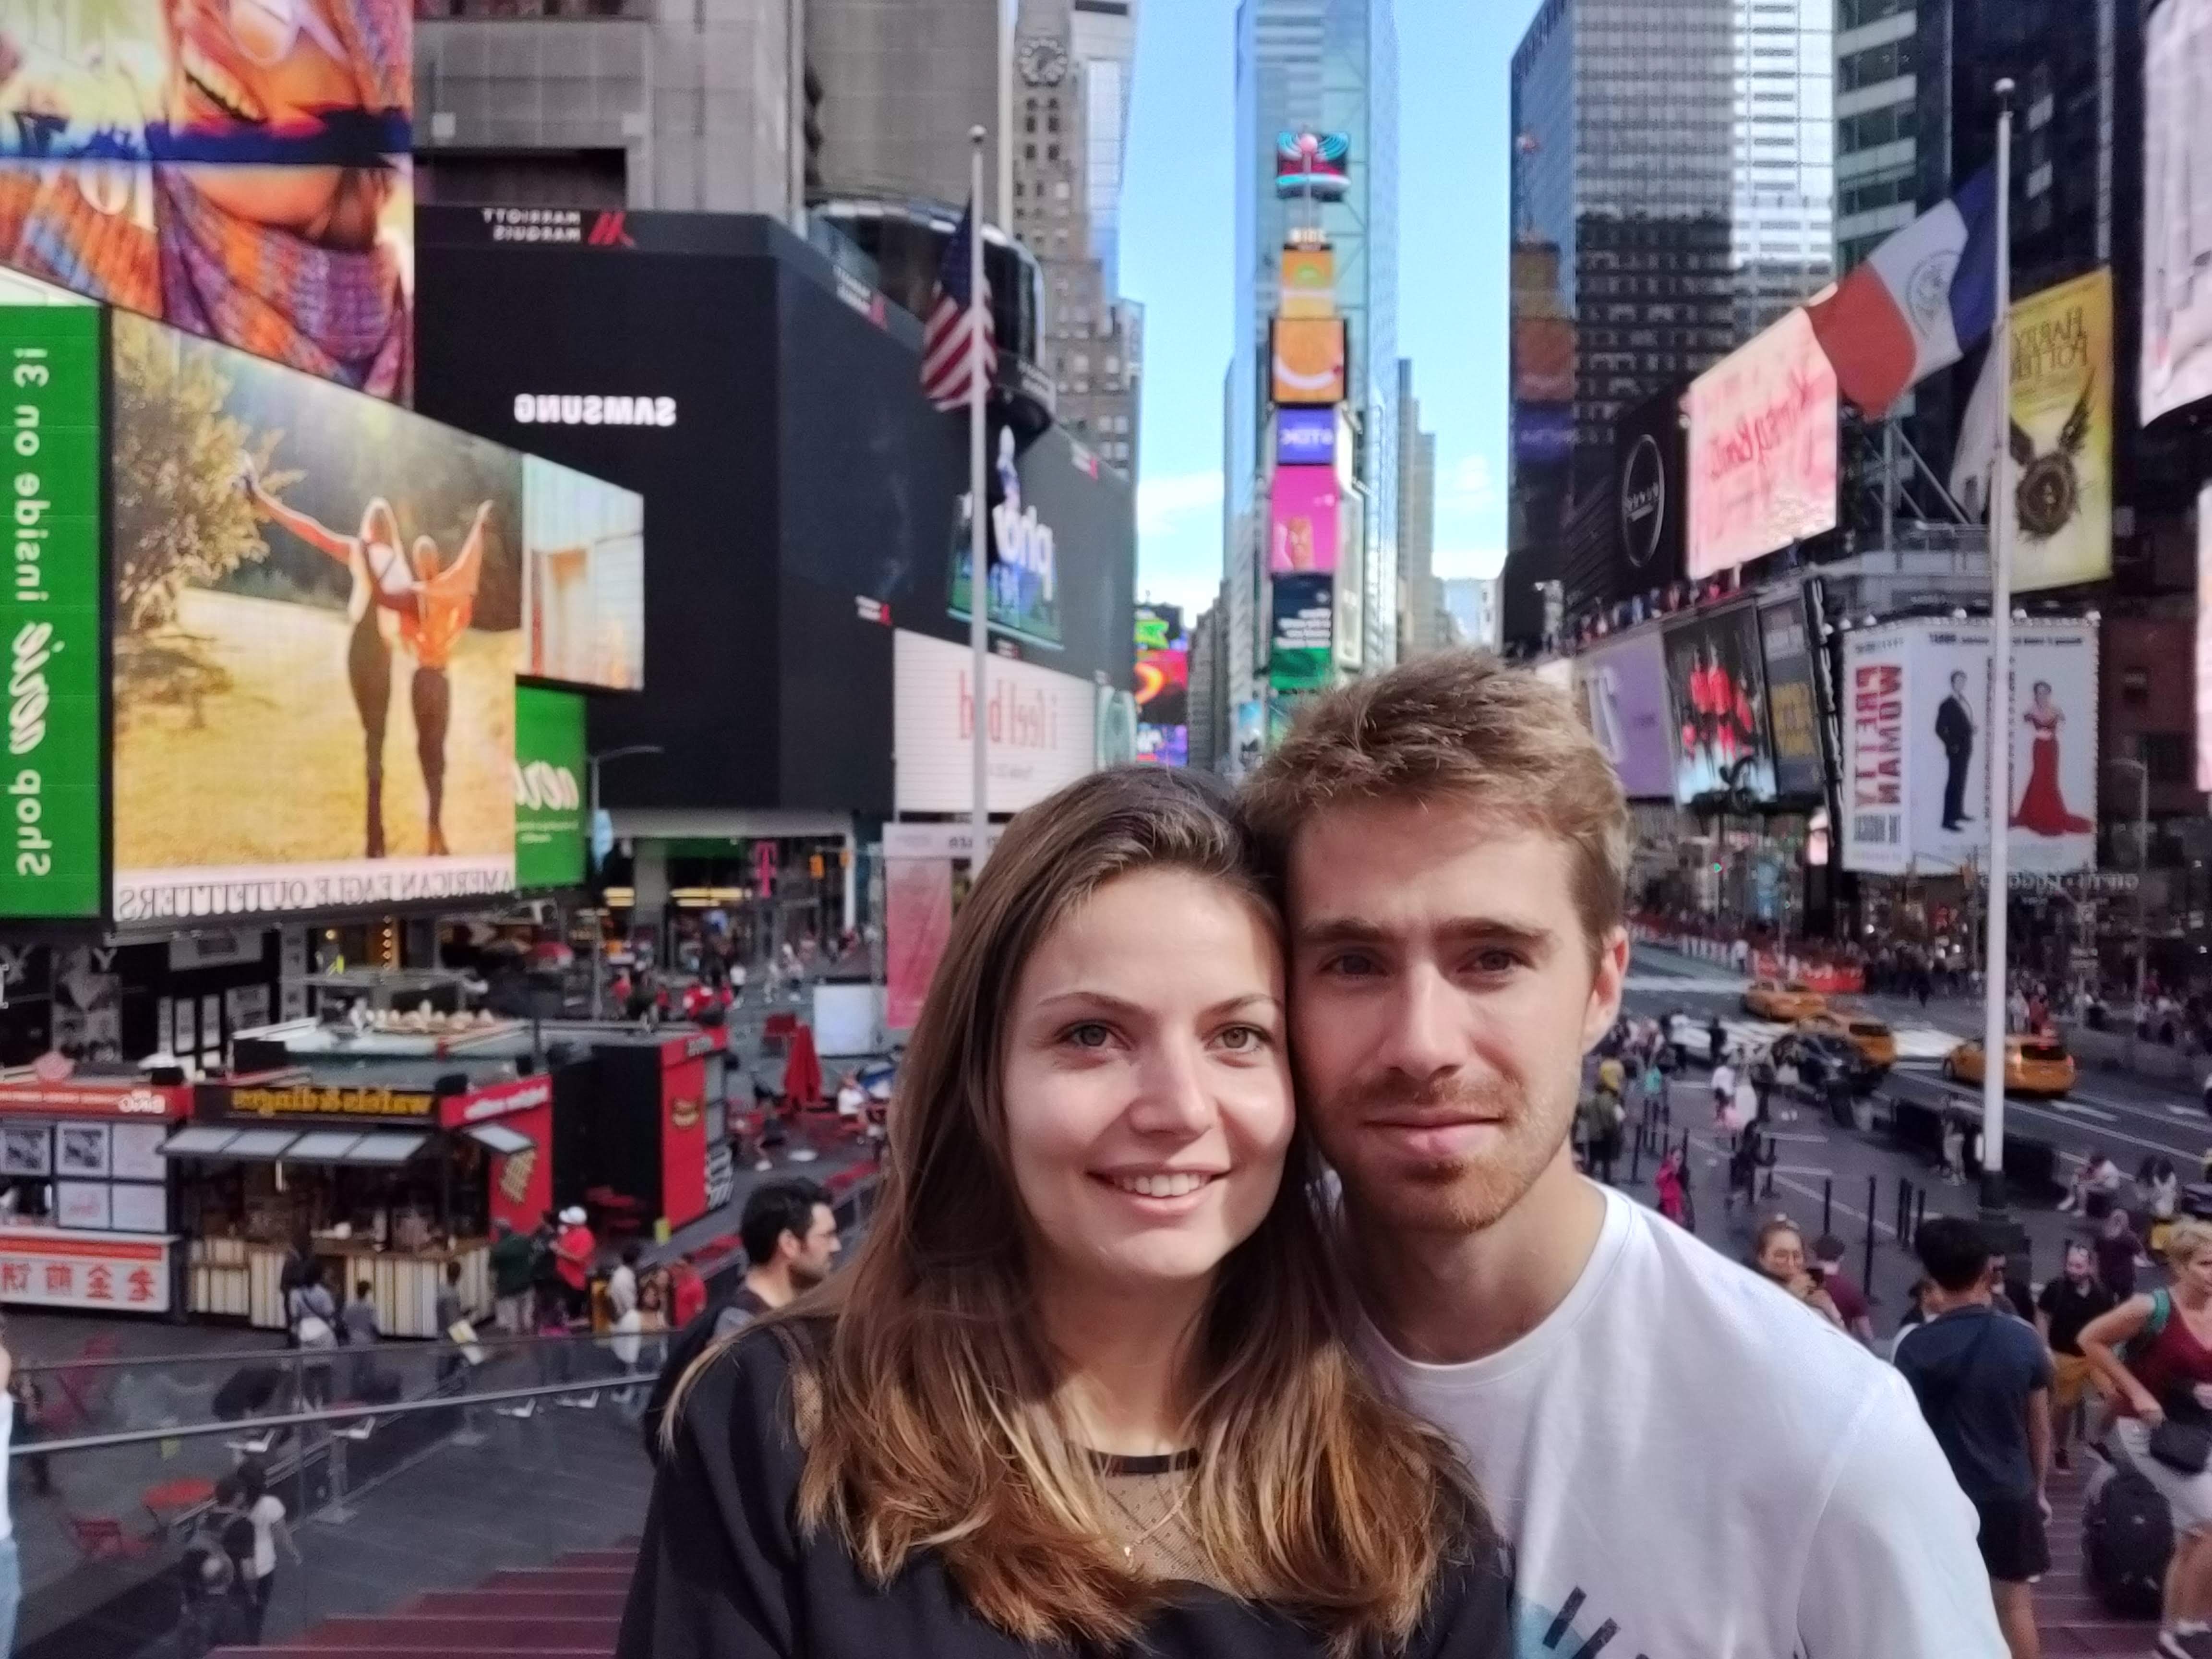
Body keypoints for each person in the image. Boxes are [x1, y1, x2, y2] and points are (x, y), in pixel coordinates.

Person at [623, 769, 1513, 1659]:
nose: (1179, 1108)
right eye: (1091, 1034)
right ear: (983, 1082)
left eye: (1236, 1035)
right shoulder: (782, 1436)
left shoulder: (1407, 1529)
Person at [1242, 653, 2002, 1655]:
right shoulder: (1182, 1355)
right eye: (1352, 963)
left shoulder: (1828, 1447)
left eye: (1493, 960)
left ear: (1603, 988)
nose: (1422, 1042)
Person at [241, 462, 425, 859]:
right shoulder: (400, 565)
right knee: (376, 742)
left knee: (369, 738)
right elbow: (411, 624)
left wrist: (265, 501)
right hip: (385, 653)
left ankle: (373, 833)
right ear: (391, 528)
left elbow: (310, 530)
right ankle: (375, 837)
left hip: (360, 649)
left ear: (368, 526)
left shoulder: (359, 552)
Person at [1893, 1219, 2053, 1659]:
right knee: (2013, 1605)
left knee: (1939, 1602)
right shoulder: (2023, 1340)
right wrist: (2036, 1489)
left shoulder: (1914, 1347)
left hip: (1943, 1496)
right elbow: (2039, 1426)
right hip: (2010, 1493)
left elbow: (1907, 1433)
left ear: (1930, 1277)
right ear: (1986, 1273)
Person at [2080, 1219, 2212, 1659]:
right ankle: (2192, 1629)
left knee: (2193, 1536)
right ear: (2179, 1266)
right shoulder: (2149, 1307)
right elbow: (2090, 1339)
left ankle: (2168, 1638)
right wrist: (2135, 1392)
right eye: (2206, 1264)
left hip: (2199, 1433)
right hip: (2150, 1432)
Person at [637, 1178, 840, 1460]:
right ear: (789, 1244)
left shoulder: (761, 1322)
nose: (836, 1246)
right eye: (827, 1236)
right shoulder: (743, 1337)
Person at [395, 507, 492, 856]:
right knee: (434, 756)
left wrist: (424, 638)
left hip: (424, 680)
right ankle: (435, 829)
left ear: (420, 561)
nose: (427, 562)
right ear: (433, 560)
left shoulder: (416, 595)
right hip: (438, 680)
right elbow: (465, 604)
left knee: (428, 754)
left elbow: (407, 640)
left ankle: (433, 829)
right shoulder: (442, 591)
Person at [2036, 1241, 2117, 1472]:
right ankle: (2061, 1448)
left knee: (2115, 1396)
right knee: (2063, 1406)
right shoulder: (2056, 1289)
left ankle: (2097, 1440)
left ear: (2091, 1268)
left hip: (2094, 1355)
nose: (2073, 1270)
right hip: (2065, 1354)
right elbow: (2042, 1314)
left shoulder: (2103, 1294)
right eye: (2071, 1265)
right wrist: (2044, 1347)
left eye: (2079, 1266)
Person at [2011, 682, 2094, 837]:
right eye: (2039, 693)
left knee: (2050, 779)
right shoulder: (2031, 711)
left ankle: (2049, 814)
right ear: (2036, 695)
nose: (2042, 695)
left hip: (2052, 748)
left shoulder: (2056, 711)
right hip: (2039, 747)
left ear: (2049, 694)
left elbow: (2063, 726)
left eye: (2045, 692)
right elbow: (2022, 725)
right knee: (2038, 777)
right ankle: (2035, 814)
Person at [237, 1458, 301, 1644]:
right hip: (264, 1564)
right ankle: (253, 1643)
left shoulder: (237, 1507)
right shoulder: (270, 1505)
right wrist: (293, 1552)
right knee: (259, 1609)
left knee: (242, 1606)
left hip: (240, 1562)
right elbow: (282, 1534)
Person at [1750, 1218, 1844, 1329]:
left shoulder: (1812, 1284)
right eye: (1781, 1255)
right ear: (1761, 1257)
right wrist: (1790, 1300)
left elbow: (1843, 1337)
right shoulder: (1749, 1290)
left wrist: (1830, 1310)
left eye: (1797, 1256)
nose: (1791, 1263)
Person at [286, 1262, 338, 1408]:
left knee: (306, 1376)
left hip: (306, 1335)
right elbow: (329, 1315)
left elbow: (295, 1317)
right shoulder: (323, 1294)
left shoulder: (295, 1294)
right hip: (323, 1336)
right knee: (325, 1376)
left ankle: (308, 1408)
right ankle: (326, 1408)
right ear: (319, 1277)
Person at [1813, 1234, 1876, 1345]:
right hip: (1837, 1346)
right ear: (1841, 1257)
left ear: (1815, 1255)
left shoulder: (1800, 1282)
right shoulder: (1851, 1290)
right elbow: (1866, 1335)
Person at [1937, 669, 1977, 831]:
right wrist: (1951, 744)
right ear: (1953, 682)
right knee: (1953, 782)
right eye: (1959, 681)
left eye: (1964, 681)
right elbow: (1939, 729)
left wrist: (1970, 729)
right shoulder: (1947, 704)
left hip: (1966, 747)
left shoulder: (1963, 700)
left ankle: (1958, 813)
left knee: (1961, 781)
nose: (1962, 684)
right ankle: (1947, 820)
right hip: (1956, 749)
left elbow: (1962, 723)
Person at [488, 1218, 534, 1337]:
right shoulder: (523, 1240)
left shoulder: (498, 1249)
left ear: (499, 1231)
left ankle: (517, 1348)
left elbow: (492, 1272)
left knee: (513, 1324)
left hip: (508, 1288)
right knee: (527, 1319)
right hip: (526, 1284)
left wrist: (494, 1289)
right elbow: (532, 1257)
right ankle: (531, 1344)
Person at [553, 1205, 595, 1325]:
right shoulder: (567, 1232)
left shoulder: (585, 1236)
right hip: (564, 1279)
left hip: (576, 1283)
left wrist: (561, 1252)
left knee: (574, 1314)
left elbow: (580, 1259)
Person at [341, 1278, 379, 1398]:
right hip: (368, 1340)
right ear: (367, 1292)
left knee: (355, 1370)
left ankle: (355, 1394)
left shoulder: (349, 1306)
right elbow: (374, 1325)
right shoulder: (370, 1307)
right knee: (368, 1369)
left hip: (354, 1340)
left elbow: (345, 1323)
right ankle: (368, 1394)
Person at [2098, 1207, 2145, 1302]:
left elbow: (2096, 1254)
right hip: (2125, 1276)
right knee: (2125, 1303)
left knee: (2106, 1302)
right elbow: (2141, 1254)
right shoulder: (2129, 1237)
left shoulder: (2103, 1235)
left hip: (2106, 1274)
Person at [2062, 1151, 2125, 1216]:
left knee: (2082, 1188)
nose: (2092, 1165)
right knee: (2075, 1178)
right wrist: (2080, 1172)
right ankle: (2071, 1199)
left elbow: (2099, 1181)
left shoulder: (2107, 1170)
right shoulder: (2100, 1163)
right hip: (2100, 1182)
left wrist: (2085, 1182)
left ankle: (2082, 1210)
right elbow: (2087, 1167)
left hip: (2107, 1188)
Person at [1654, 1147, 1687, 1226]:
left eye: (1681, 1159)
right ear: (1671, 1158)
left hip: (1675, 1210)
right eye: (1677, 1159)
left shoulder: (1679, 1173)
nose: (1679, 1162)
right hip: (1669, 1211)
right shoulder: (1668, 1174)